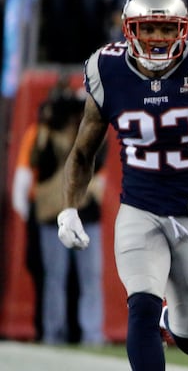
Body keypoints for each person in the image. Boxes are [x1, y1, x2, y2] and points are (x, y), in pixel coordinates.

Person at [56, 0, 188, 371]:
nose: (159, 39)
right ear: (130, 30)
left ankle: (175, 322)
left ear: (183, 29)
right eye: (149, 29)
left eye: (168, 29)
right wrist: (69, 209)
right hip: (140, 209)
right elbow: (83, 151)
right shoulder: (107, 69)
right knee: (143, 304)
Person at [33, 86, 107, 346]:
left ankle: (92, 334)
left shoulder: (95, 134)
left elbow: (97, 160)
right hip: (55, 216)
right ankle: (53, 332)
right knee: (55, 278)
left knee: (90, 278)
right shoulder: (46, 137)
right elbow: (40, 160)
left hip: (87, 218)